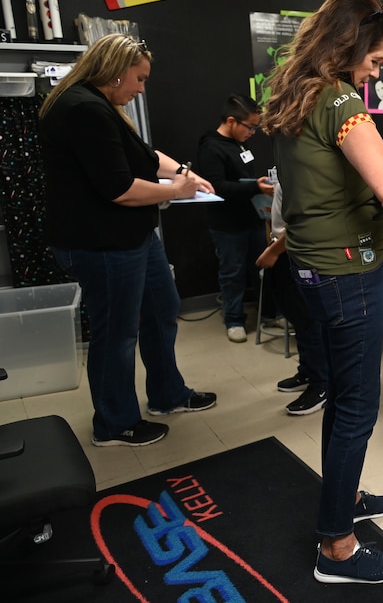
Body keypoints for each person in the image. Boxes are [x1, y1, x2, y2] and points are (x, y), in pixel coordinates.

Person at [261, 0, 383, 585]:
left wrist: (381, 171)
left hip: (313, 267)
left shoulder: (294, 95)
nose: (375, 72)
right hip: (348, 269)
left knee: (342, 399)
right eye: (375, 61)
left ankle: (343, 499)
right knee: (357, 406)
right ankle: (338, 547)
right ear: (349, 48)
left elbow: (334, 177)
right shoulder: (340, 99)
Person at [39, 33, 218, 447]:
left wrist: (183, 175)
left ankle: (168, 395)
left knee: (162, 308)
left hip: (132, 235)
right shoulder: (83, 109)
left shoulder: (101, 106)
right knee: (117, 332)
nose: (141, 88)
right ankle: (115, 423)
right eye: (139, 79)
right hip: (102, 243)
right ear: (116, 72)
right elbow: (119, 188)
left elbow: (145, 155)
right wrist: (176, 192)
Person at [196, 94, 274, 343]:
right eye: (250, 127)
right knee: (232, 273)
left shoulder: (240, 144)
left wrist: (257, 188)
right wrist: (256, 188)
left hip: (251, 219)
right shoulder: (211, 147)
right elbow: (216, 188)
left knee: (262, 267)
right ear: (231, 121)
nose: (252, 132)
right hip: (227, 225)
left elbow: (241, 178)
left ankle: (269, 314)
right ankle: (234, 320)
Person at [256, 179, 328, 416]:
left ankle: (322, 385)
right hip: (284, 247)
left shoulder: (306, 166)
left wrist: (274, 251)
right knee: (296, 315)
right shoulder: (288, 161)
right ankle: (308, 371)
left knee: (309, 320)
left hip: (299, 250)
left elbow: (304, 223)